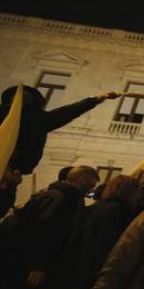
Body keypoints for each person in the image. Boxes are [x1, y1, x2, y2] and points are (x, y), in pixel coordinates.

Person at [0, 85, 120, 217]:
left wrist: (98, 99)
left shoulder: (39, 119)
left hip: (12, 176)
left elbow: (69, 111)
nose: (19, 100)